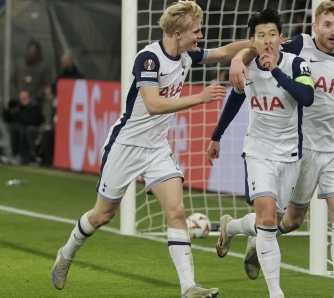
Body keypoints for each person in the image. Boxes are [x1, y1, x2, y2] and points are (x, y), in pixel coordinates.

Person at [50, 1, 254, 297]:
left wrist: (256, 43)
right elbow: (154, 104)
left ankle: (188, 287)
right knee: (102, 215)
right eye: (195, 31)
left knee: (177, 211)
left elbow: (223, 53)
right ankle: (66, 253)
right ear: (176, 33)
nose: (200, 35)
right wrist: (199, 98)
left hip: (157, 149)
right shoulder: (149, 59)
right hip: (126, 146)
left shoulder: (186, 55)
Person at [220, 1, 334, 298]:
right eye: (327, 25)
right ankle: (238, 230)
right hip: (302, 147)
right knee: (289, 222)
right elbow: (260, 45)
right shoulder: (299, 46)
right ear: (314, 26)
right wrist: (239, 58)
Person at [207, 7, 314, 298]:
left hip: (290, 155)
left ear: (282, 38)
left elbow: (306, 97)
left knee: (271, 223)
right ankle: (276, 293)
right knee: (266, 220)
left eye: (271, 34)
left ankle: (230, 228)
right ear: (252, 40)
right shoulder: (248, 66)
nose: (267, 40)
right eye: (260, 35)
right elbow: (234, 101)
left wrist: (275, 70)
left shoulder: (296, 64)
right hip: (258, 153)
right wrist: (216, 136)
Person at [3, 90, 44, 165]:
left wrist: (19, 112)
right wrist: (7, 109)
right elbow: (7, 119)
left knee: (22, 129)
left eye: (25, 98)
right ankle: (14, 154)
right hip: (20, 131)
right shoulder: (18, 107)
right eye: (21, 98)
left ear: (30, 98)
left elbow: (30, 121)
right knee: (14, 128)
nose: (22, 100)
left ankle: (21, 155)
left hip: (32, 131)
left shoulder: (34, 108)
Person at [10, 39, 52, 104]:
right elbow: (12, 80)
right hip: (19, 98)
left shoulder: (43, 66)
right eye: (31, 49)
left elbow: (47, 83)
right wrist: (17, 94)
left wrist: (37, 95)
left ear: (38, 51)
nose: (32, 52)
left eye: (34, 50)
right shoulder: (19, 64)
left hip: (36, 100)